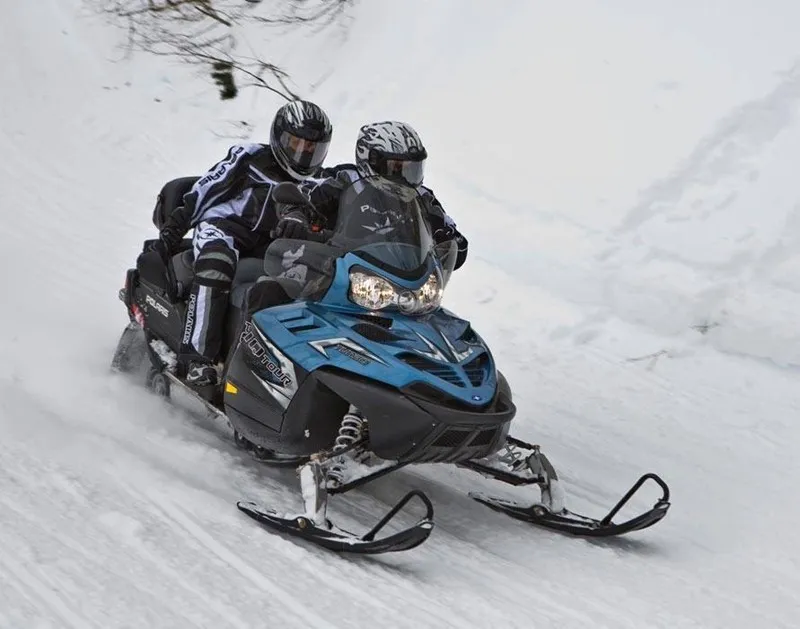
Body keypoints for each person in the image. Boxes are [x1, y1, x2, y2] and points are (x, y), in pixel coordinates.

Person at [152, 99, 333, 388]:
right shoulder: (249, 158)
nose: (303, 153)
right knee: (217, 265)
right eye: (296, 143)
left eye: (312, 148)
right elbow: (206, 190)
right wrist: (174, 228)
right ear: (278, 137)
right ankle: (197, 359)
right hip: (225, 229)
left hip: (270, 247)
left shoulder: (319, 184)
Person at [303, 120, 469, 269]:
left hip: (400, 280)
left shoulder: (421, 197)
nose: (405, 176)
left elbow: (458, 248)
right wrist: (298, 217)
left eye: (412, 168)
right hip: (337, 272)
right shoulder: (345, 178)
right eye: (398, 167)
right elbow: (305, 194)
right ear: (373, 160)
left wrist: (447, 238)